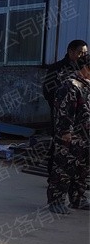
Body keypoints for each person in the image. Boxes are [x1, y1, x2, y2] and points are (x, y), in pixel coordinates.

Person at [46, 52, 90, 214]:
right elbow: (64, 111)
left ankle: (78, 198)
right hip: (70, 136)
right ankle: (56, 200)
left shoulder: (87, 84)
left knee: (82, 170)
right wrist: (65, 132)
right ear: (85, 67)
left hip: (86, 137)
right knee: (63, 169)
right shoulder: (70, 85)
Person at [43, 40, 87, 175]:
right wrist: (61, 108)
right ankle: (54, 176)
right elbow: (47, 91)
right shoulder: (57, 68)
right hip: (62, 116)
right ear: (70, 52)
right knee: (59, 145)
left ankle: (75, 177)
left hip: (82, 117)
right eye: (81, 52)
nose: (83, 55)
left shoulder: (85, 69)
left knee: (80, 147)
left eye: (85, 53)